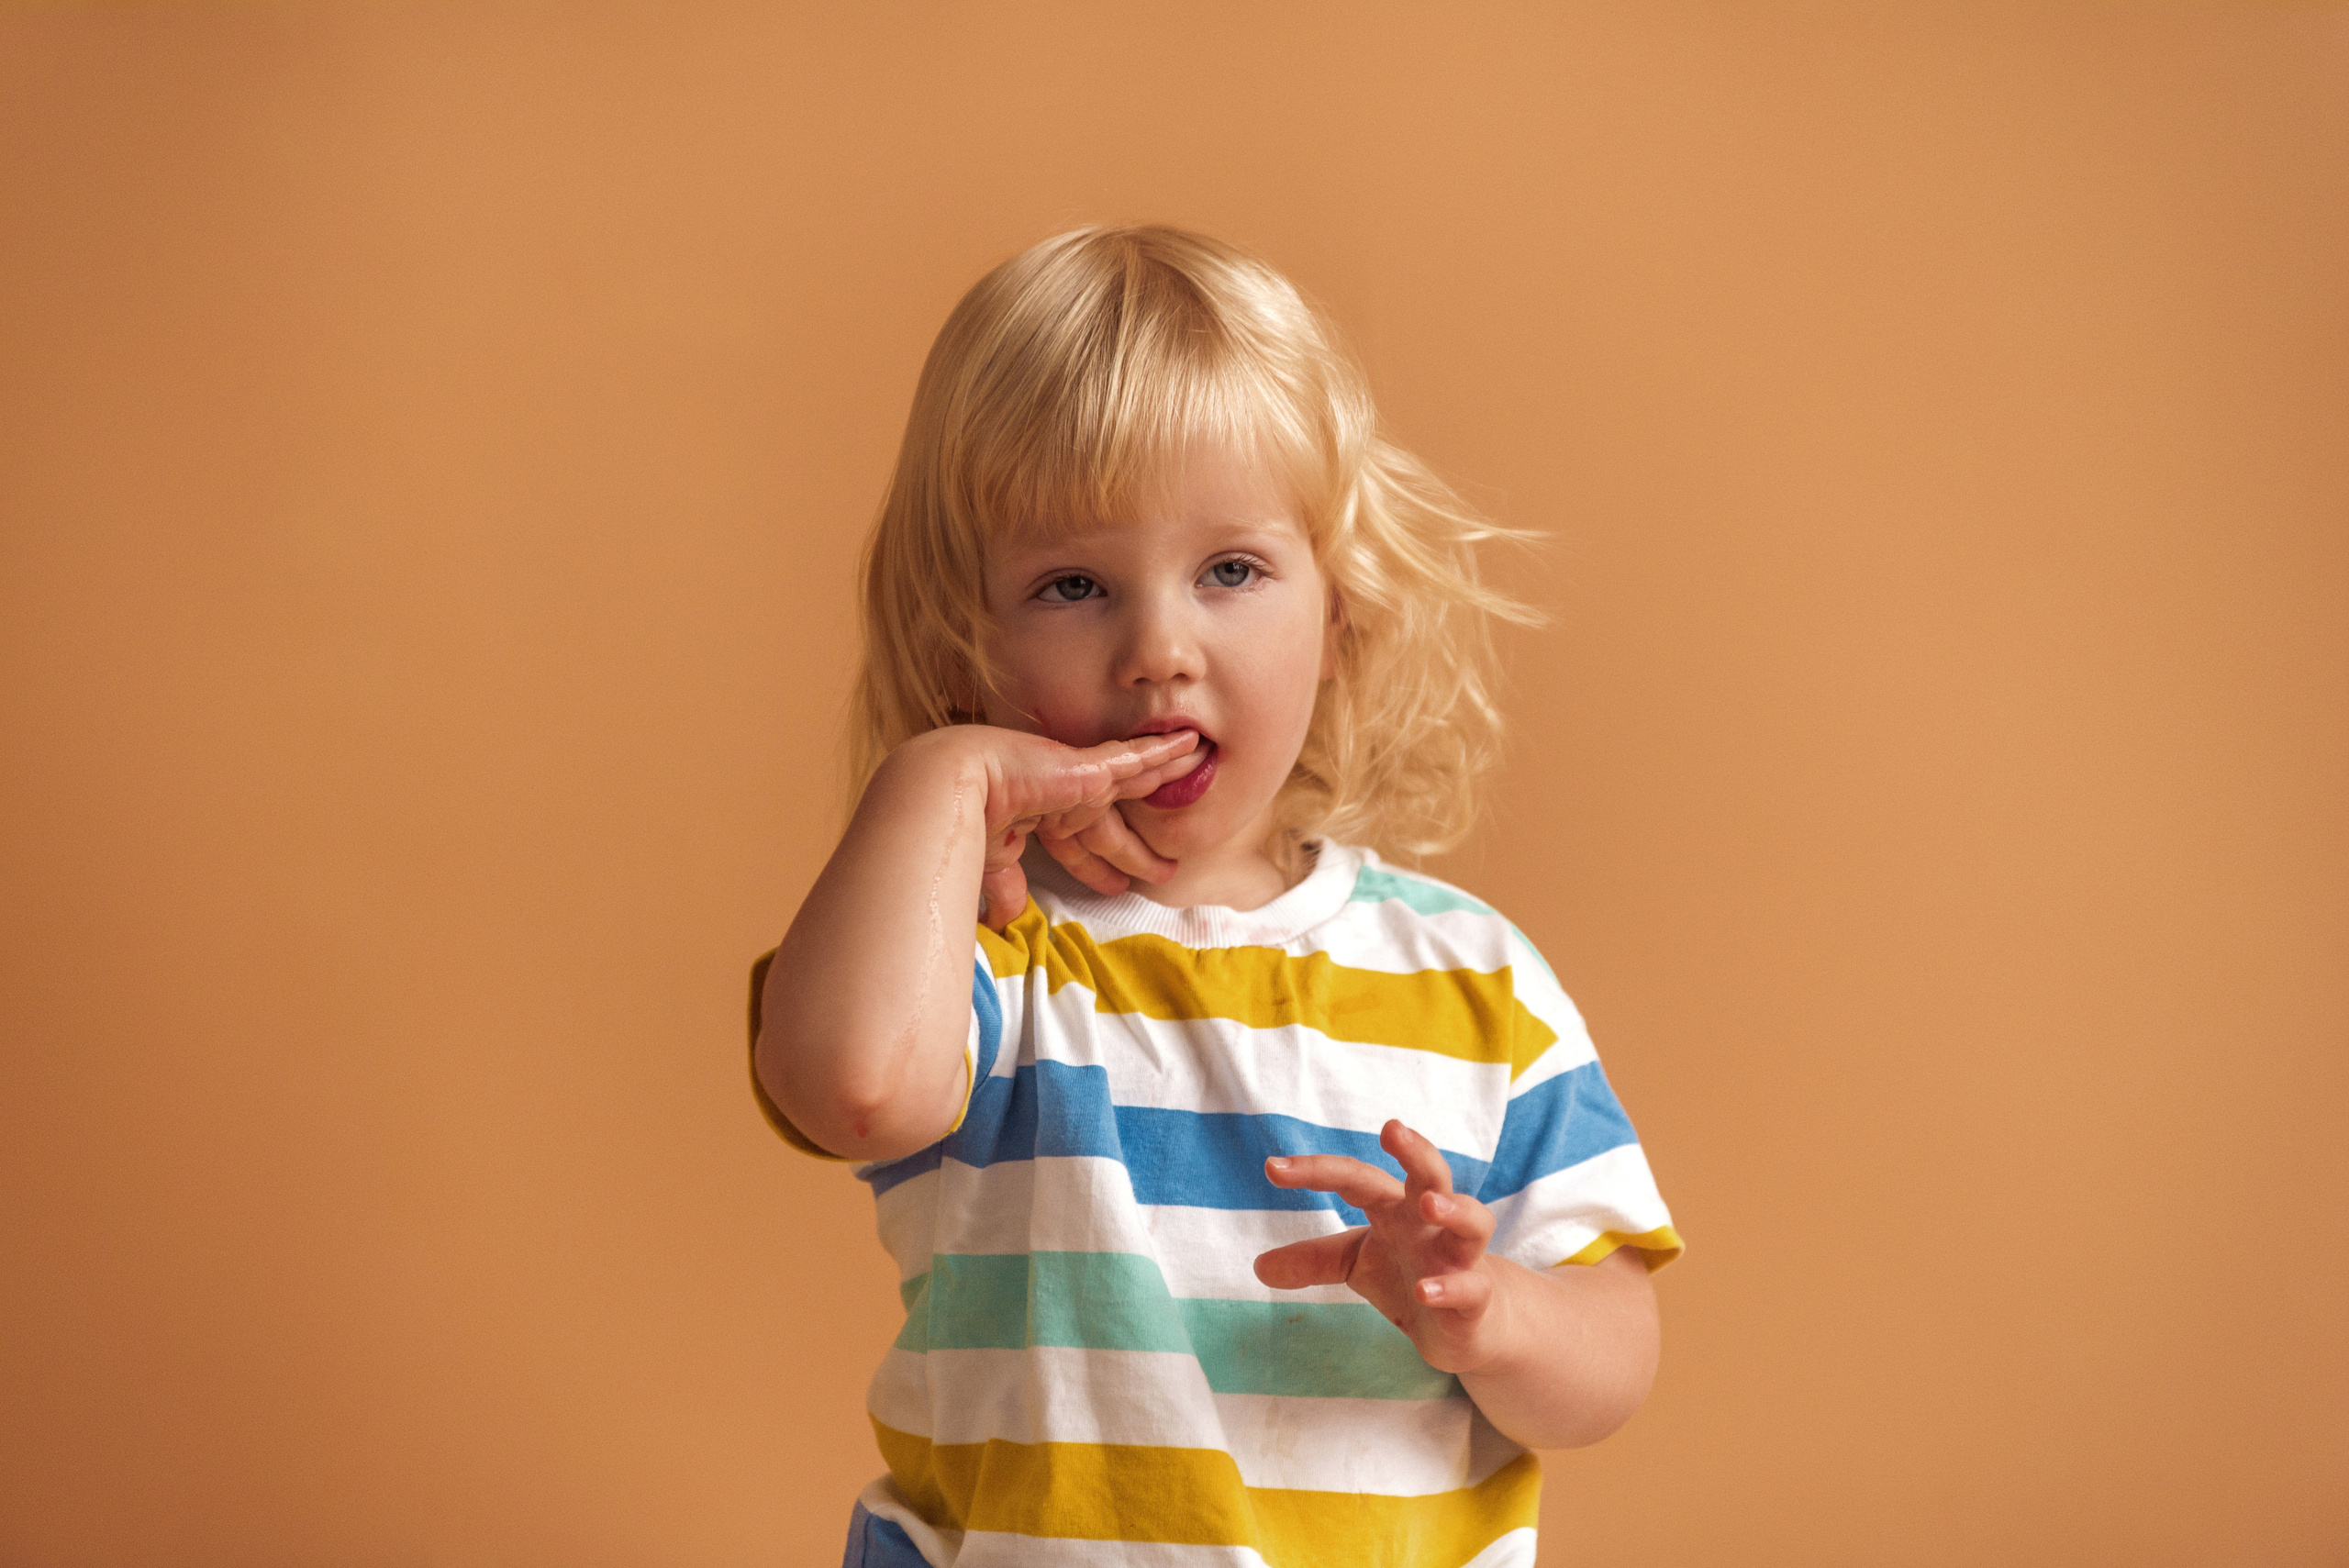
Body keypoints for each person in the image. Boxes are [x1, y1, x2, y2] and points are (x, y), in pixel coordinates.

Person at [750, 224, 1682, 1568]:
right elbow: (844, 1081)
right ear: (968, 636)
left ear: (1337, 610)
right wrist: (942, 784)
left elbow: (1617, 1354)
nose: (1159, 654)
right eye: (1073, 585)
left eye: (1231, 572)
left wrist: (1490, 1310)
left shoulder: (1471, 975)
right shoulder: (978, 947)